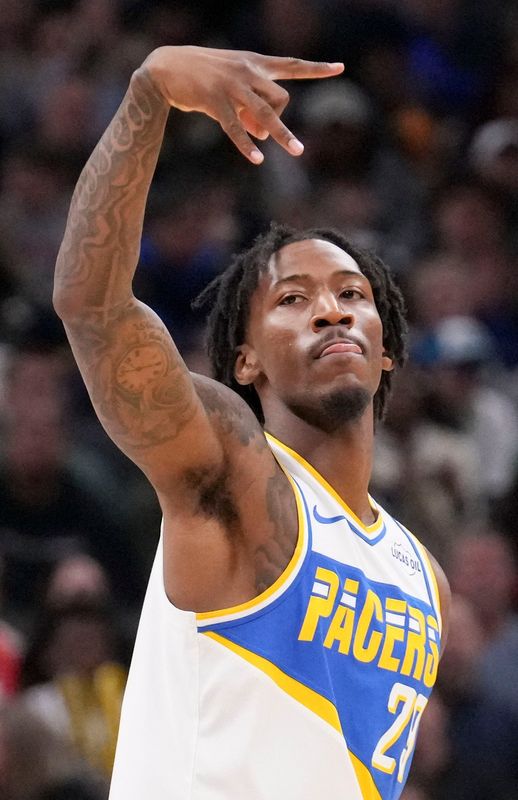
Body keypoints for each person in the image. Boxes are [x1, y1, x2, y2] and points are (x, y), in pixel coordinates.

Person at [53, 45, 450, 800]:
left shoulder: (424, 577)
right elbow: (91, 305)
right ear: (244, 362)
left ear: (388, 348)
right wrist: (149, 96)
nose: (331, 308)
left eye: (351, 294)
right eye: (293, 299)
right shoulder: (234, 468)